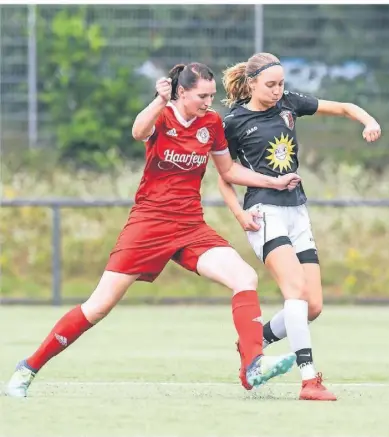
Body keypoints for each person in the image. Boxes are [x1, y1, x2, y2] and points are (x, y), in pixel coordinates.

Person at [6, 62, 304, 398]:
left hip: (190, 224)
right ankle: (28, 368)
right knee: (98, 307)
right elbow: (137, 131)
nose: (209, 101)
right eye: (202, 95)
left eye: (211, 95)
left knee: (244, 277)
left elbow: (229, 170)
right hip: (149, 224)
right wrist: (157, 101)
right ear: (181, 92)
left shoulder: (212, 123)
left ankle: (253, 365)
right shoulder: (162, 116)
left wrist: (272, 181)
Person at [219, 53, 382, 401]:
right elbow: (224, 177)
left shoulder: (290, 103)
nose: (278, 91)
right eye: (270, 85)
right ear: (251, 84)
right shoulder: (232, 121)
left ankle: (256, 342)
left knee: (312, 306)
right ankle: (309, 380)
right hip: (264, 212)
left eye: (281, 84)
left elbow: (345, 107)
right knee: (295, 291)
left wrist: (368, 121)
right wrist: (238, 214)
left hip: (297, 211)